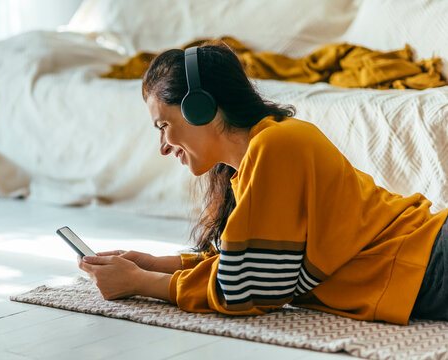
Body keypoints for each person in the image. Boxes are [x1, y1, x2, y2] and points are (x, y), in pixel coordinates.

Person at [78, 43, 448, 325]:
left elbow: (250, 291)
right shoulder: (253, 159)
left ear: (199, 108)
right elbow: (250, 263)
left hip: (428, 261)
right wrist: (157, 264)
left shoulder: (275, 145)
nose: (162, 147)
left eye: (163, 126)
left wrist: (141, 284)